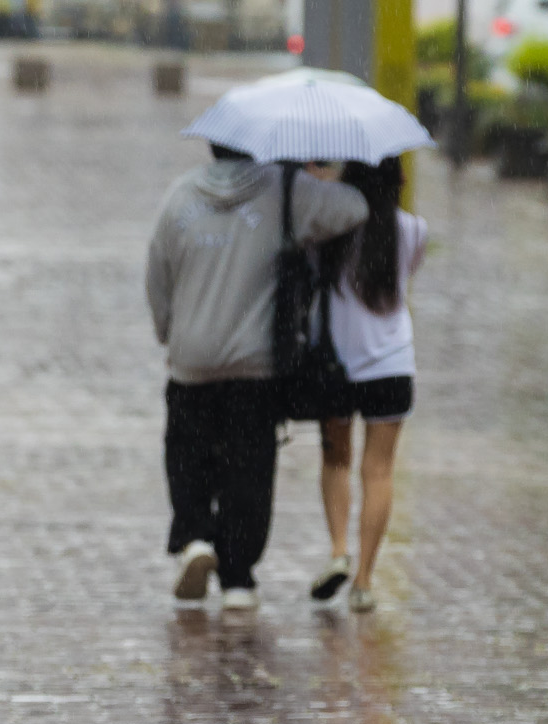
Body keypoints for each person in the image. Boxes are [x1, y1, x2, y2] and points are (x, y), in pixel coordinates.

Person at [145, 142, 366, 611]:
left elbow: (158, 274)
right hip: (256, 362)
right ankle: (238, 577)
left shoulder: (179, 196)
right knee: (249, 466)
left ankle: (195, 537)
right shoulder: (283, 191)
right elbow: (354, 208)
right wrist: (310, 182)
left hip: (191, 358)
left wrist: (168, 331)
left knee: (187, 452)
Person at [307, 156, 424, 614]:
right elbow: (402, 277)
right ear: (397, 181)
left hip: (337, 364)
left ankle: (339, 551)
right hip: (392, 364)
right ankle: (364, 581)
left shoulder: (331, 230)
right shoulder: (413, 230)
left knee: (336, 460)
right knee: (379, 471)